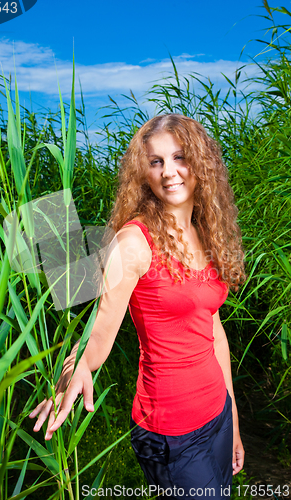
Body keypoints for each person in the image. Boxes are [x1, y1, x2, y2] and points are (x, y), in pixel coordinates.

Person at [30, 114, 246, 499]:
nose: (169, 172)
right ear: (143, 173)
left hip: (217, 413)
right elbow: (96, 336)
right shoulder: (134, 243)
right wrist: (74, 371)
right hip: (171, 433)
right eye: (156, 161)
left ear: (201, 163)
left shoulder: (204, 231)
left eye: (180, 157)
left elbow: (213, 331)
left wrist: (232, 416)